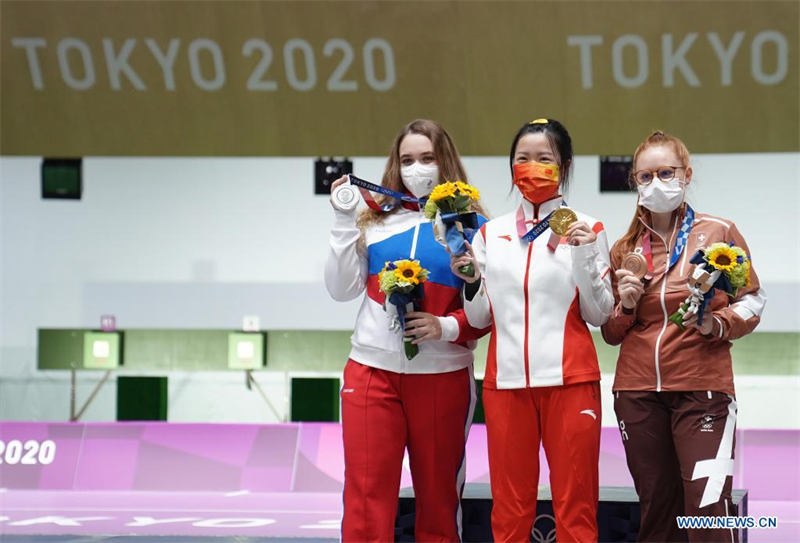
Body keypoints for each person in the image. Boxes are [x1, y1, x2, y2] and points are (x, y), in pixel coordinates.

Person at [325, 118, 488, 543]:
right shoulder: (374, 221)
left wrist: (445, 327)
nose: (417, 168)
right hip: (371, 373)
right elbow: (341, 290)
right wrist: (343, 220)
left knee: (438, 500)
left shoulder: (474, 227)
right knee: (365, 497)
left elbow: (488, 311)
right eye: (407, 160)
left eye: (427, 158)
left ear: (445, 161)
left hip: (442, 378)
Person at [450, 118, 613, 543]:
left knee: (576, 505)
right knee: (509, 508)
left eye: (544, 158)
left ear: (565, 165)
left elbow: (600, 314)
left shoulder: (589, 228)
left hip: (571, 383)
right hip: (505, 386)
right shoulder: (491, 233)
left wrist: (582, 254)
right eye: (522, 158)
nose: (532, 167)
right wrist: (471, 281)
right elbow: (480, 318)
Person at [601, 131, 766, 543]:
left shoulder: (719, 232)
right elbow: (610, 332)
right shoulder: (625, 249)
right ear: (635, 182)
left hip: (702, 388)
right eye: (645, 176)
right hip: (637, 392)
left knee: (707, 507)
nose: (655, 183)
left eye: (665, 173)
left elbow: (752, 299)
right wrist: (626, 306)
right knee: (658, 508)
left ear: (686, 175)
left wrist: (716, 324)